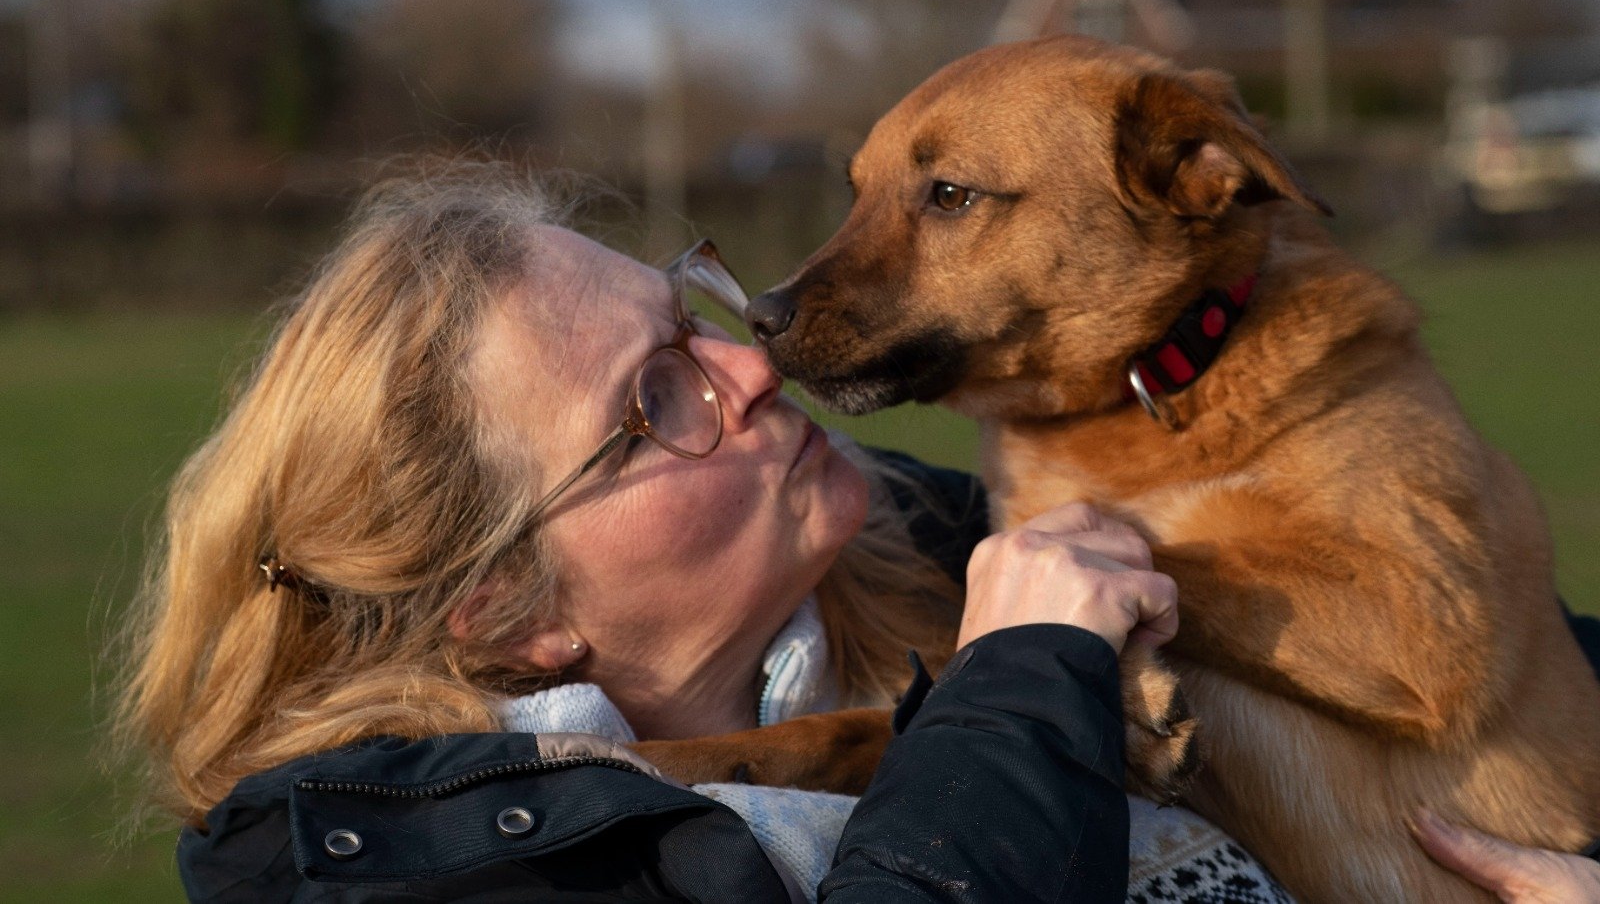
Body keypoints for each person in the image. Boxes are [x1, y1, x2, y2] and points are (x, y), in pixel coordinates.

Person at [114, 165, 1600, 903]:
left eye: (690, 312)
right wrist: (1027, 681)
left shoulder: (944, 550)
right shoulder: (423, 869)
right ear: (509, 614)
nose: (755, 364)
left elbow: (1526, 679)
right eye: (660, 394)